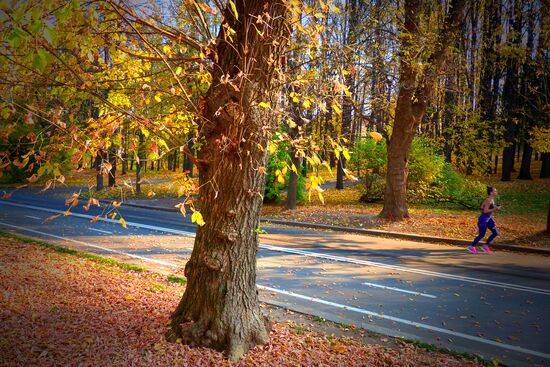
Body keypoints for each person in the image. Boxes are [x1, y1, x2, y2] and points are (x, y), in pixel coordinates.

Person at [468, 186, 501, 254]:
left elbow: (481, 206)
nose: (496, 192)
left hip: (489, 218)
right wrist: (495, 208)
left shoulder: (490, 199)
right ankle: (472, 246)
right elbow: (485, 211)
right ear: (491, 192)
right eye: (495, 191)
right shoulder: (489, 200)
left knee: (495, 233)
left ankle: (485, 246)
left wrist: (494, 206)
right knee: (482, 234)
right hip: (484, 219)